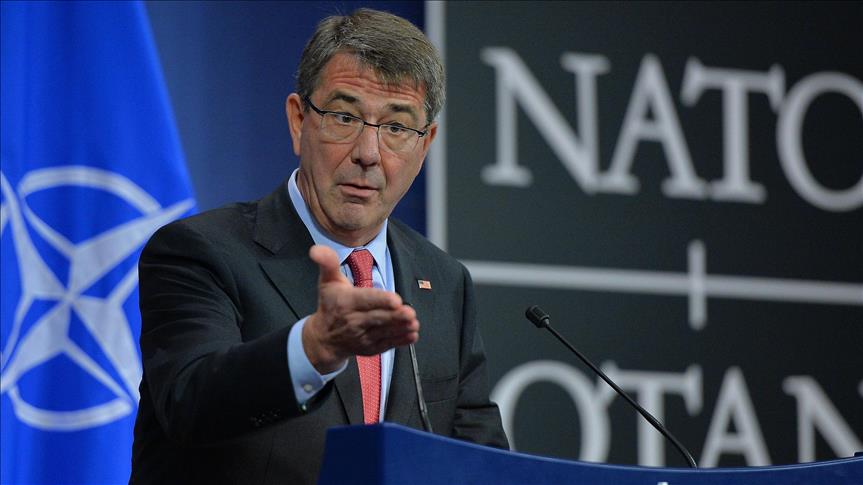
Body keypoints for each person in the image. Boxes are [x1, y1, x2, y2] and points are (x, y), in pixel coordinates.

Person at [129, 8, 508, 485]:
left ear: (425, 143)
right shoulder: (200, 251)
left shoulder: (445, 282)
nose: (368, 154)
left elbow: (479, 459)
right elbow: (189, 403)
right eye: (345, 117)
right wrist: (312, 350)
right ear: (298, 120)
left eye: (396, 127)